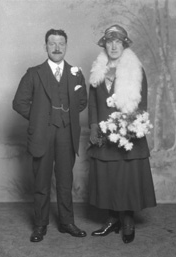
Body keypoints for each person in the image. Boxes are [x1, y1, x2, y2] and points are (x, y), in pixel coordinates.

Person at [13, 29, 87, 242]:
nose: (56, 47)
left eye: (61, 43)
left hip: (67, 134)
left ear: (66, 46)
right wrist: (40, 117)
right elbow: (18, 103)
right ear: (45, 46)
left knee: (65, 180)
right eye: (52, 43)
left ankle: (67, 222)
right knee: (42, 182)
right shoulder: (34, 73)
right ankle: (40, 225)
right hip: (42, 134)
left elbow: (82, 101)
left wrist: (65, 116)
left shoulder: (76, 73)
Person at [88, 24, 156, 243]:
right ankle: (112, 219)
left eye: (118, 41)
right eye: (110, 41)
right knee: (108, 177)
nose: (114, 45)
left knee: (126, 178)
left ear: (125, 44)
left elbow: (142, 103)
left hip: (128, 134)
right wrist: (93, 127)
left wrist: (129, 126)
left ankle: (127, 220)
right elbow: (93, 104)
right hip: (104, 134)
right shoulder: (98, 70)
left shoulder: (136, 70)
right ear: (105, 45)